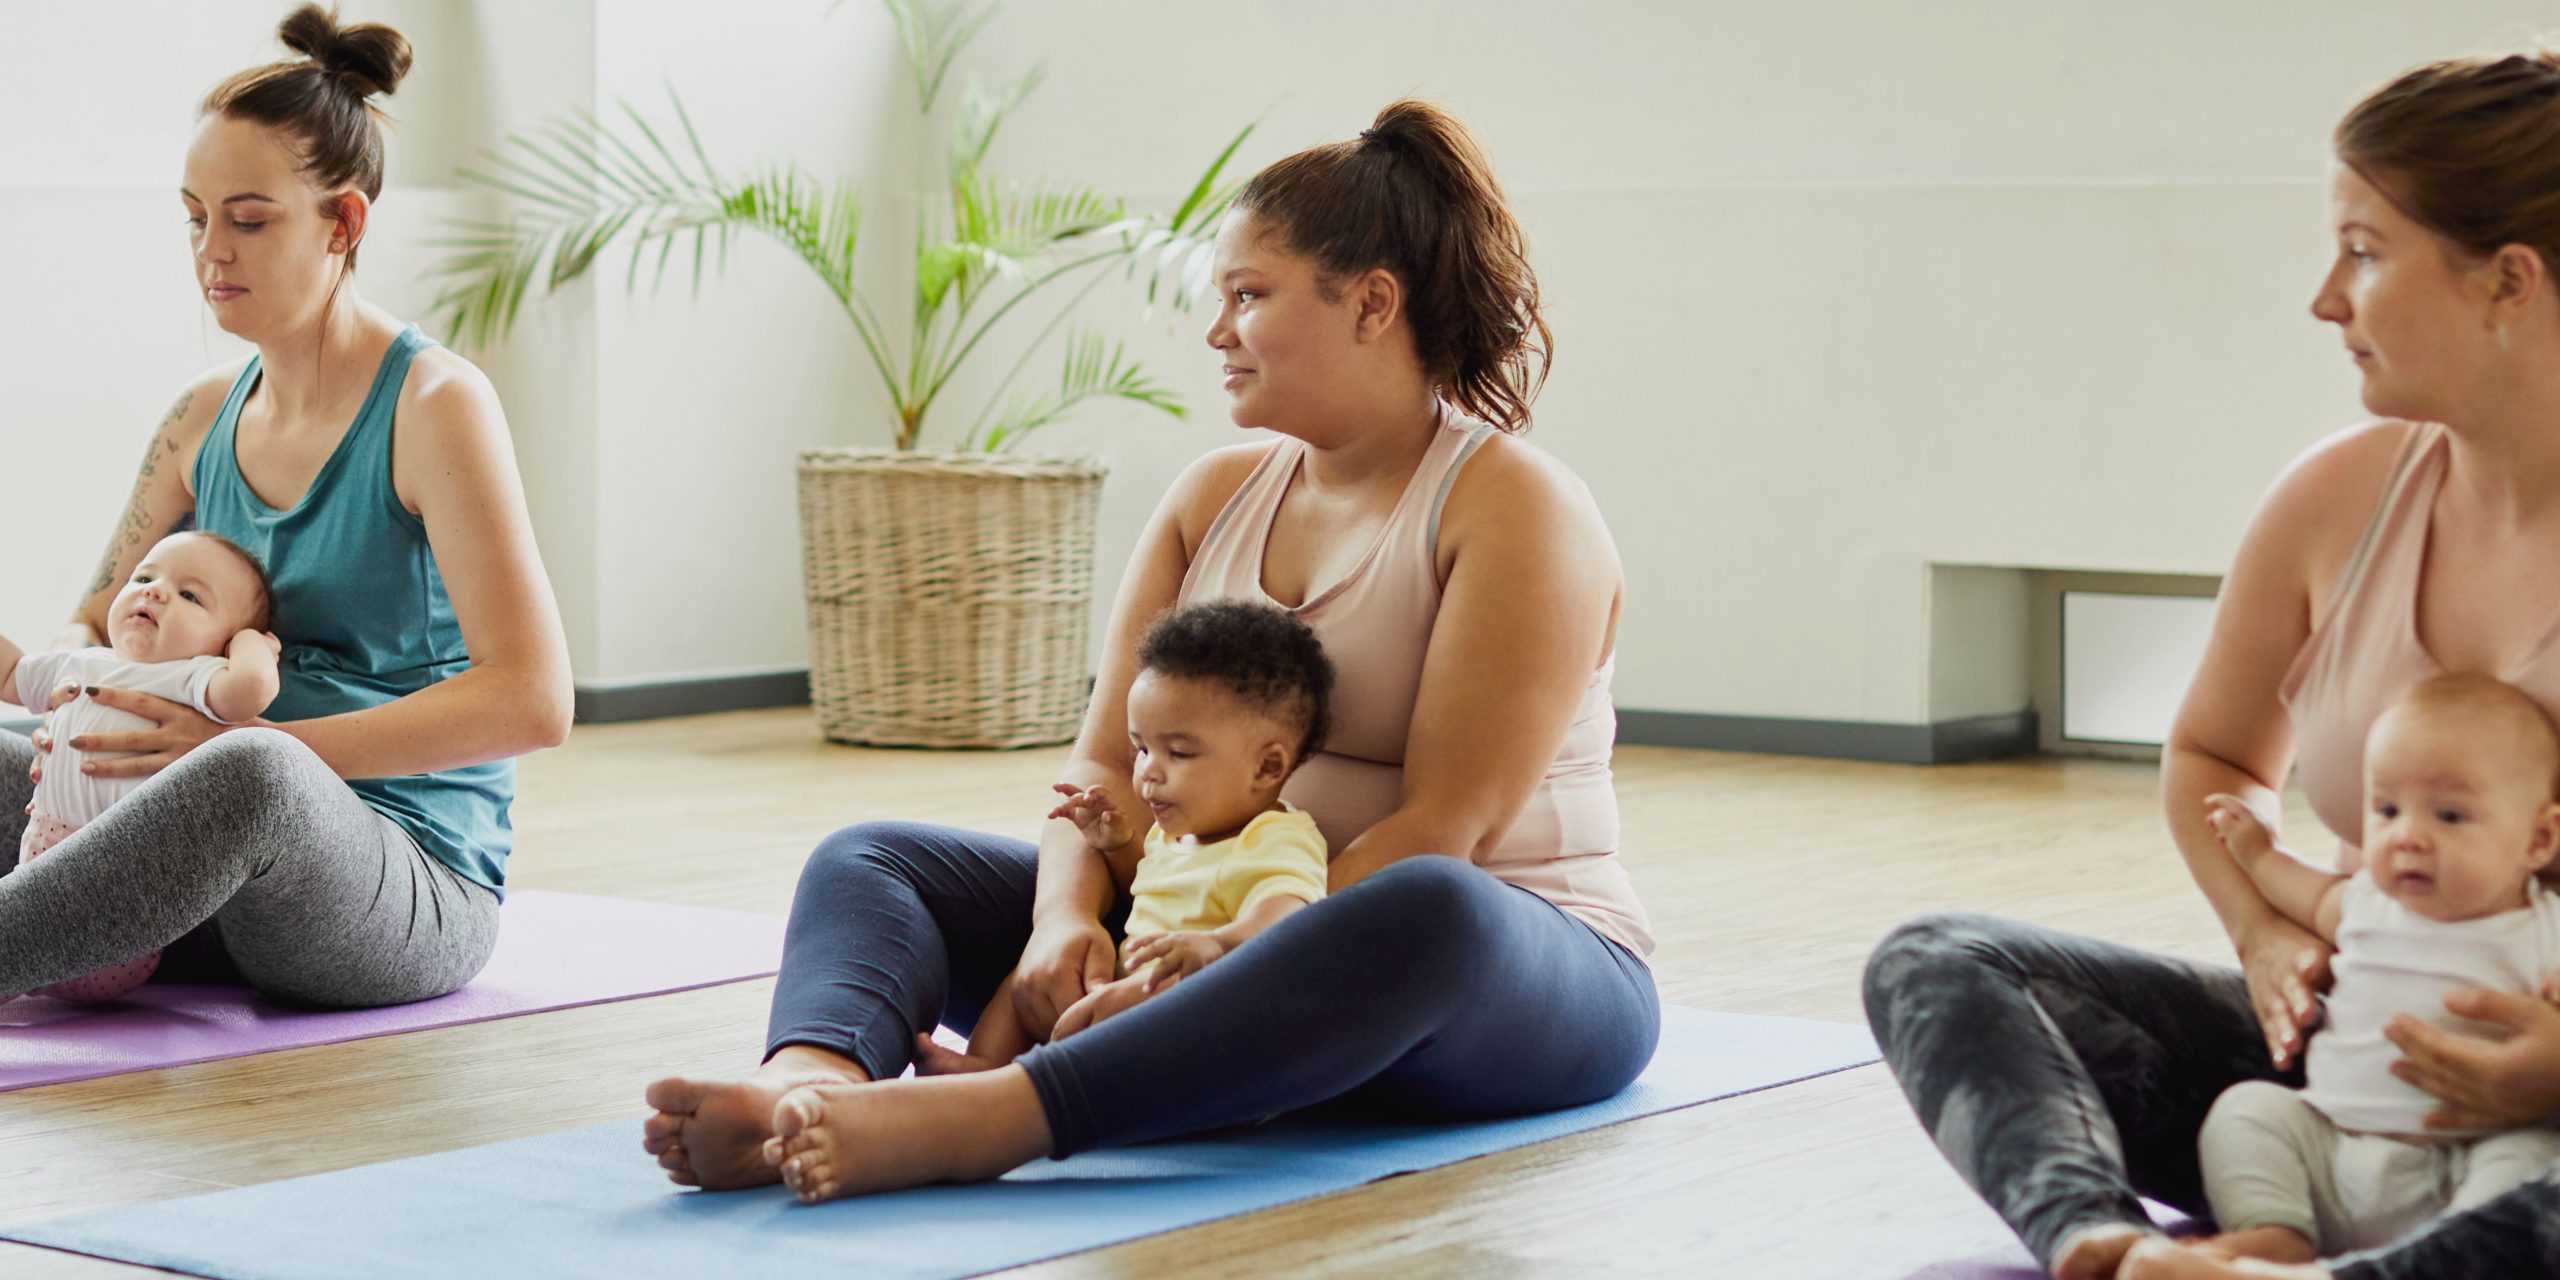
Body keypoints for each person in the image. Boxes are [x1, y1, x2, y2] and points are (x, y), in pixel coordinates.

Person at [642, 98, 1658, 1205]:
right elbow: (1096, 772)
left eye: (1247, 296)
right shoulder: (1210, 498)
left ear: (1372, 304)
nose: (1216, 330)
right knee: (875, 857)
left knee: (1424, 905)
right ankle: (806, 1091)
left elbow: (1444, 830)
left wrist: (1232, 954)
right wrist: (1065, 920)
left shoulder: (1514, 508)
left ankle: (983, 1117)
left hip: (1488, 972)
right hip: (1188, 938)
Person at [1864, 47, 2560, 1280]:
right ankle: (2104, 1246)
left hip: (2536, 1129)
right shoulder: (2334, 498)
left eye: (2362, 249)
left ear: (2505, 281)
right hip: (2341, 1075)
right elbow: (2215, 756)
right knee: (1937, 961)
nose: (2324, 299)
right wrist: (2259, 927)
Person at [0, 4, 570, 1008]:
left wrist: (241, 746)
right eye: (195, 216)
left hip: (398, 876)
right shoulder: (199, 414)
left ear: (343, 222)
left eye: (249, 218)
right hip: (195, 851)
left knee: (255, 774)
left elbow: (531, 699)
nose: (211, 250)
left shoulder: (437, 407)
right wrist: (73, 701)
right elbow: (89, 617)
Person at [2173, 675, 2560, 1269]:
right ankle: (2276, 1231)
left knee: (2530, 1155)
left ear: (2539, 840)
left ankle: (2444, 1257)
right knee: (2247, 1111)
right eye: (2386, 809)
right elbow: (2298, 890)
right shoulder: (2363, 902)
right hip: (2332, 1149)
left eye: (2450, 815)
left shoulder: (2544, 927)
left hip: (2466, 1162)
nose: (2407, 836)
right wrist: (2257, 852)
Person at [923, 599, 1333, 1073]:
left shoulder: (1275, 839)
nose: (1148, 773)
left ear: (1267, 766)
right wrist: (1117, 846)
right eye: (1141, 748)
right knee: (1033, 972)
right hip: (1125, 988)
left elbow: (1287, 921)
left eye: (1178, 753)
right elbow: (1148, 886)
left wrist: (1216, 946)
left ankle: (1027, 1090)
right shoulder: (1177, 834)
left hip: (1197, 1016)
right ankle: (985, 1065)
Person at [4, 531, 282, 1002]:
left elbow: (252, 689)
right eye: (145, 576)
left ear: (223, 647)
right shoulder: (81, 662)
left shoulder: (193, 679)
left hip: (121, 909)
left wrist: (256, 644)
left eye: (190, 595)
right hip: (34, 869)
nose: (154, 591)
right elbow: (10, 675)